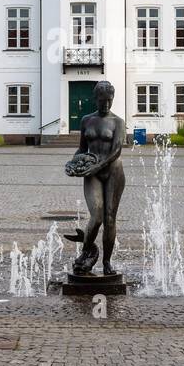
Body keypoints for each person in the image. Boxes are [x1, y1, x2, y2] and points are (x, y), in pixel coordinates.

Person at [64, 81, 125, 276]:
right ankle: (87, 252)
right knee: (96, 216)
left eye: (109, 101)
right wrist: (74, 163)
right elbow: (82, 149)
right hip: (93, 173)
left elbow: (116, 150)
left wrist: (97, 166)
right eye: (102, 101)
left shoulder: (117, 122)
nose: (106, 105)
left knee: (109, 218)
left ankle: (107, 263)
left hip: (113, 172)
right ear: (95, 99)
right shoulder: (86, 120)